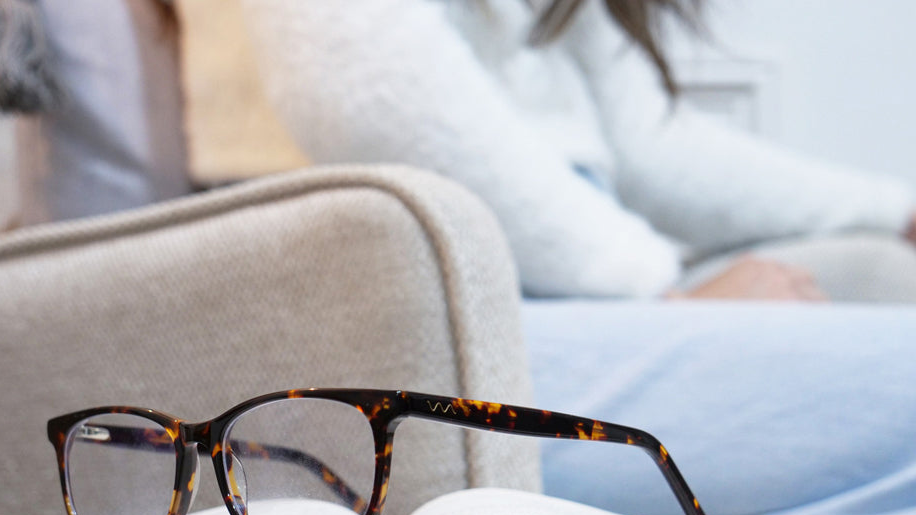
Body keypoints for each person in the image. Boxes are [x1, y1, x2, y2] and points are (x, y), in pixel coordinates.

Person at [242, 0, 916, 303]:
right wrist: (660, 295)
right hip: (468, 297)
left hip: (574, 269)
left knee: (890, 274)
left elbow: (648, 146)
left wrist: (897, 213)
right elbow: (365, 82)